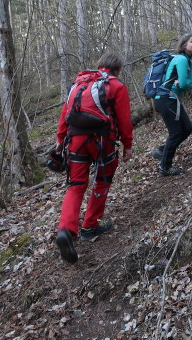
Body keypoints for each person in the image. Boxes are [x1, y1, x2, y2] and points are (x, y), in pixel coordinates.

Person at [55, 52, 133, 264]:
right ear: (117, 69)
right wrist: (127, 144)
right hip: (102, 141)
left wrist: (60, 139)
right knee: (102, 181)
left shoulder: (79, 83)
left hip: (75, 141)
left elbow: (65, 113)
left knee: (76, 185)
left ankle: (66, 230)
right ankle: (89, 225)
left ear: (100, 65)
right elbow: (124, 120)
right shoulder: (116, 85)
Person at [151, 33, 192, 176]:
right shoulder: (182, 59)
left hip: (170, 99)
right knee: (176, 132)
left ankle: (162, 151)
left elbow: (183, 84)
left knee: (187, 128)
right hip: (166, 99)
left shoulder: (184, 59)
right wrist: (188, 84)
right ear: (184, 45)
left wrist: (185, 84)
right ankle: (165, 167)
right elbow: (184, 84)